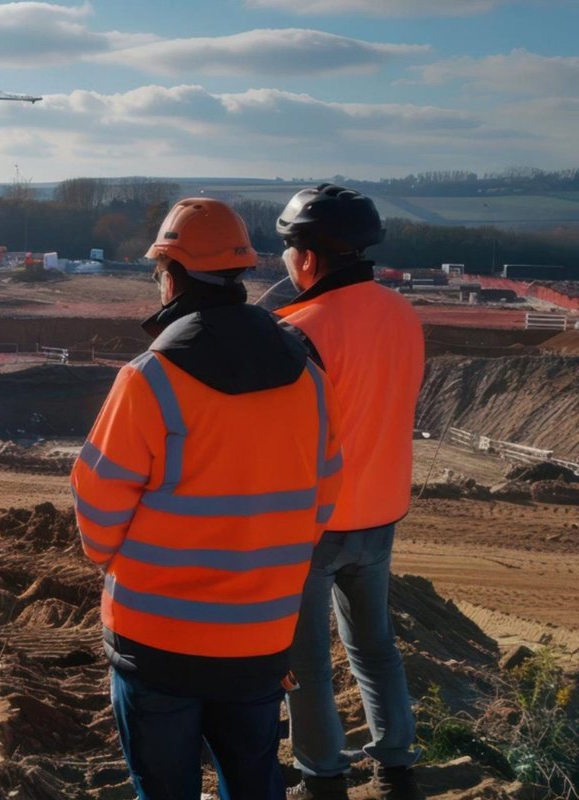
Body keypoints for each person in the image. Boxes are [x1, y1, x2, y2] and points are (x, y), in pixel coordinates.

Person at [71, 198, 343, 800]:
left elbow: (97, 501)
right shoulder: (308, 377)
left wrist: (116, 563)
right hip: (260, 636)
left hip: (156, 639)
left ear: (171, 274)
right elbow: (323, 497)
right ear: (241, 273)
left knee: (164, 788)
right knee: (252, 780)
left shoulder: (150, 378)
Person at [272, 185, 425, 800]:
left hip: (314, 521)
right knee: (375, 648)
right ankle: (396, 770)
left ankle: (323, 778)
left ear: (306, 258)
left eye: (286, 250)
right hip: (381, 511)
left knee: (306, 664)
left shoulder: (296, 330)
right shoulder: (403, 314)